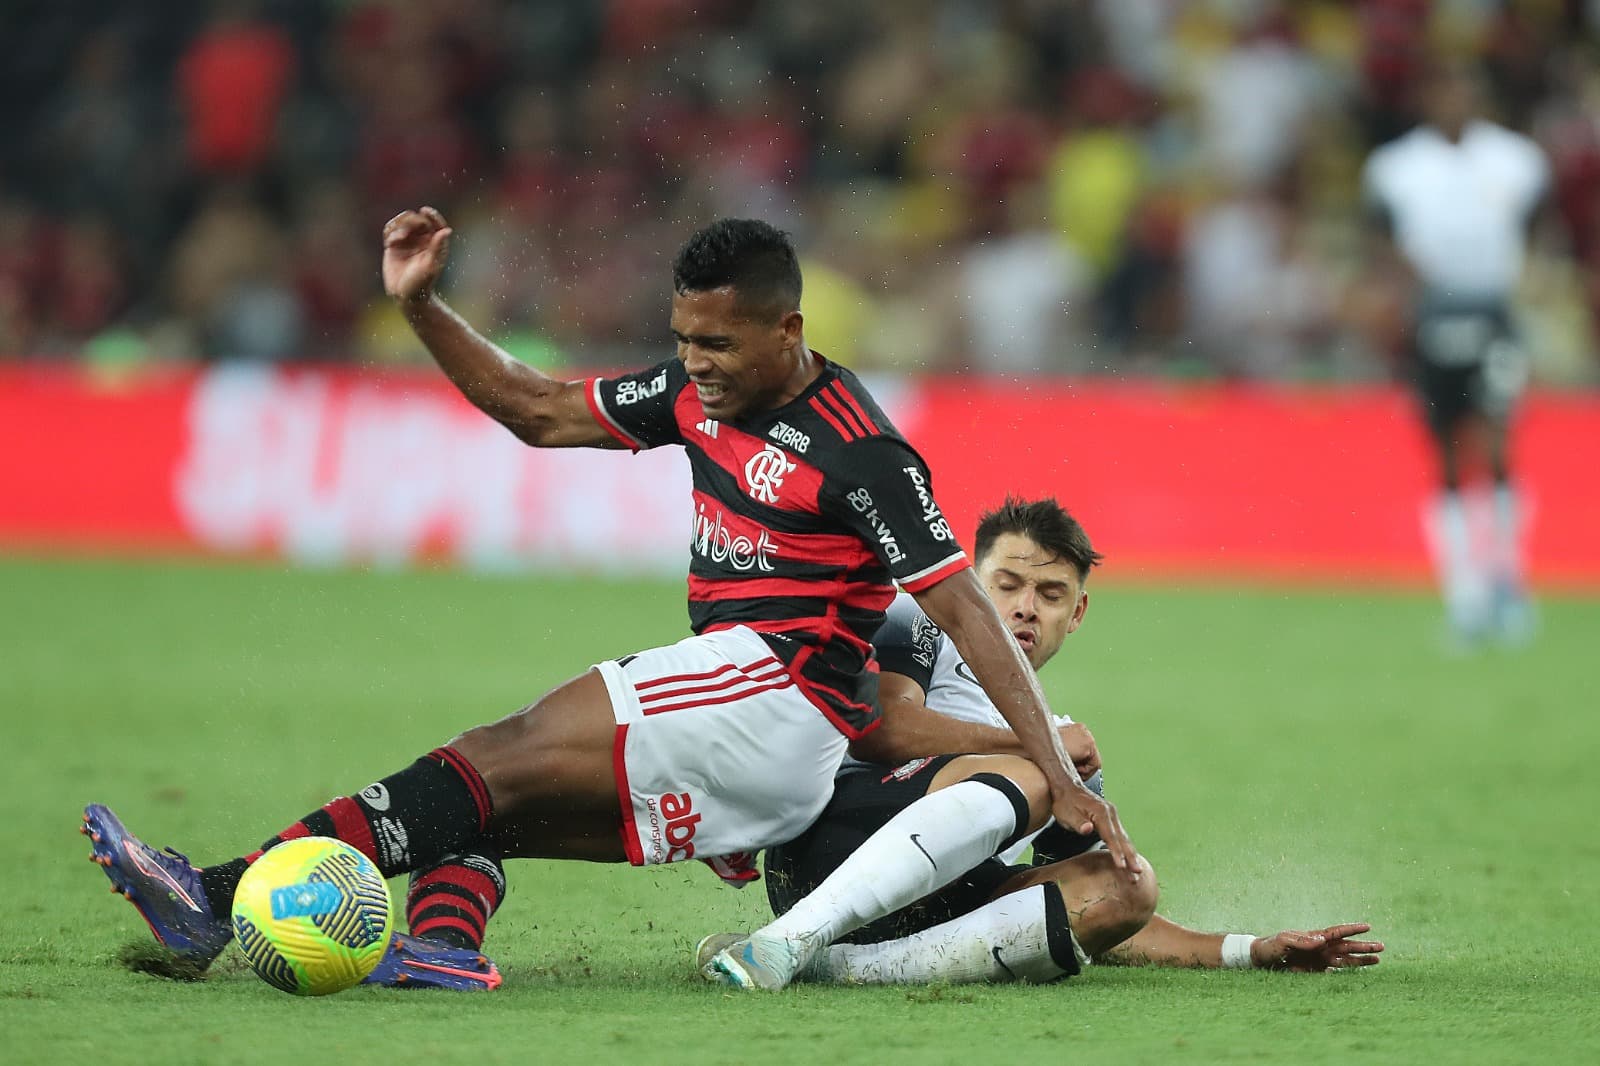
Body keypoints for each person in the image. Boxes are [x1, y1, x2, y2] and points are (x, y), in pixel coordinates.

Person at [82, 211, 1136, 989]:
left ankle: (209, 900)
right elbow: (537, 410)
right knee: (484, 797)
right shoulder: (695, 392)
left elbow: (961, 610)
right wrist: (420, 305)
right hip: (738, 710)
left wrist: (1051, 766)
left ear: (789, 330)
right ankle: (445, 948)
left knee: (498, 750)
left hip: (774, 695)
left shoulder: (861, 453)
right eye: (683, 338)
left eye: (716, 344)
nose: (693, 365)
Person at [698, 497, 1382, 985]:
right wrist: (1038, 752)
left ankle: (835, 967)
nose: (1027, 606)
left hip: (919, 920)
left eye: (1052, 593)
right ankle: (794, 938)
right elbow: (885, 729)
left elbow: (1112, 920)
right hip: (818, 862)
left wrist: (1252, 951)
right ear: (969, 581)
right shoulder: (918, 625)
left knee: (1129, 884)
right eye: (1009, 584)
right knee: (1037, 775)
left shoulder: (1059, 741)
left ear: (1076, 614)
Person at [1362, 61, 1551, 646]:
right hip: (1431, 315)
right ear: (1426, 97)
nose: (1453, 100)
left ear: (1480, 97)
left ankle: (1506, 582)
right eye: (1443, 88)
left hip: (1492, 311)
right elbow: (1384, 239)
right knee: (1444, 452)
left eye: (1463, 89)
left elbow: (1536, 228)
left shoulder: (1516, 159)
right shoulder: (1396, 168)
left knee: (1495, 441)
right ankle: (1464, 593)